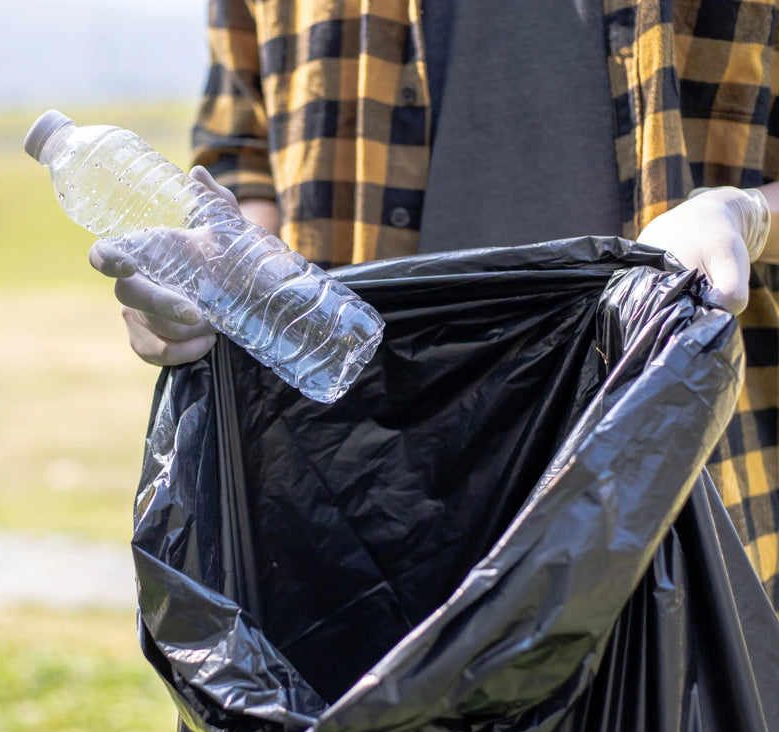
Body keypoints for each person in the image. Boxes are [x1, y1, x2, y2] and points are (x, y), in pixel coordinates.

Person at [90, 0, 779, 611]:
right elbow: (244, 148)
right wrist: (224, 283)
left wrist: (748, 215)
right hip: (354, 498)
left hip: (681, 468)